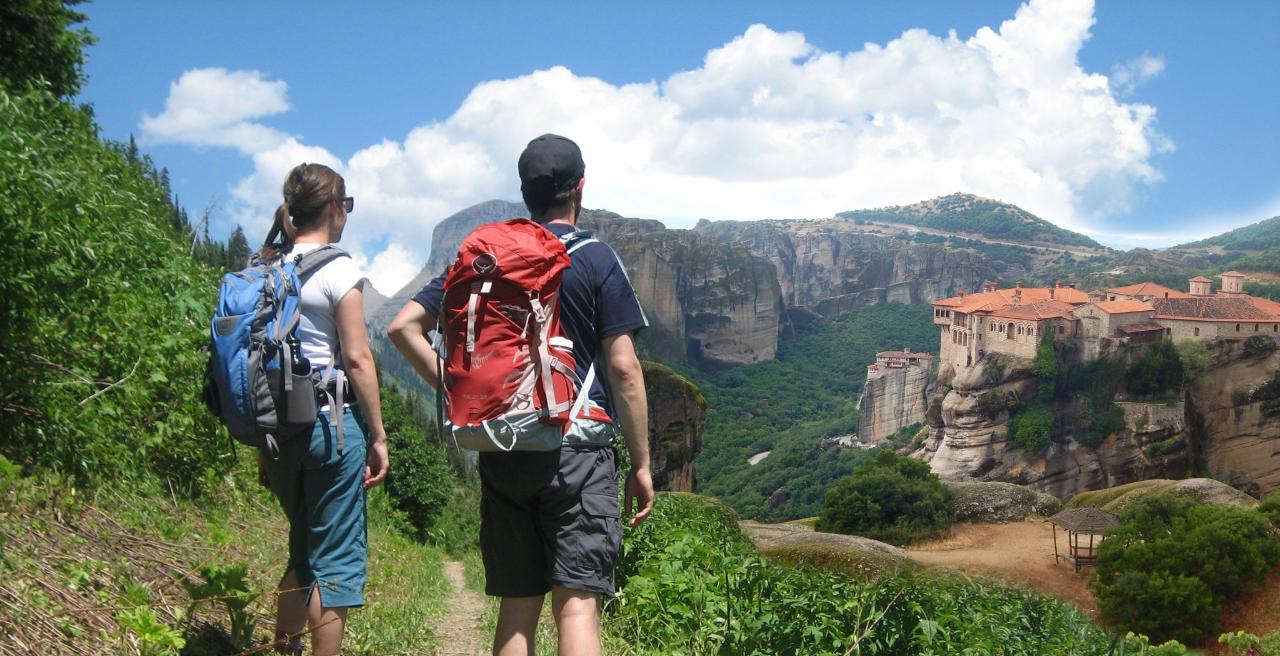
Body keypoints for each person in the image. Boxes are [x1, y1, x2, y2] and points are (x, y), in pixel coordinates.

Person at [388, 134, 654, 656]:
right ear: (580, 187)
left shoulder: (486, 257)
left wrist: (456, 390)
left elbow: (402, 328)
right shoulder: (597, 259)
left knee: (517, 606)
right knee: (576, 606)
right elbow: (623, 368)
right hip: (578, 452)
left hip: (503, 444)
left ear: (525, 193)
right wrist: (642, 464)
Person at [258, 163, 390, 656]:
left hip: (276, 429)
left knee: (302, 548)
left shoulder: (267, 267)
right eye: (347, 205)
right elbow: (356, 358)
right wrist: (377, 435)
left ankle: (285, 649)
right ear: (336, 208)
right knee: (334, 563)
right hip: (329, 427)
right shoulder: (338, 269)